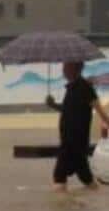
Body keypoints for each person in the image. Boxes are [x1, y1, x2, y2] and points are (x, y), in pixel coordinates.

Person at [46, 61, 109, 192]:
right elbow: (67, 110)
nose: (63, 70)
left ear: (75, 69)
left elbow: (99, 110)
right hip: (68, 140)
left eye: (66, 67)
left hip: (75, 141)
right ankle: (92, 196)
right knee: (85, 176)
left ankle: (61, 206)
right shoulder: (71, 88)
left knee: (59, 176)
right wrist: (52, 105)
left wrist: (107, 122)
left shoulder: (85, 87)